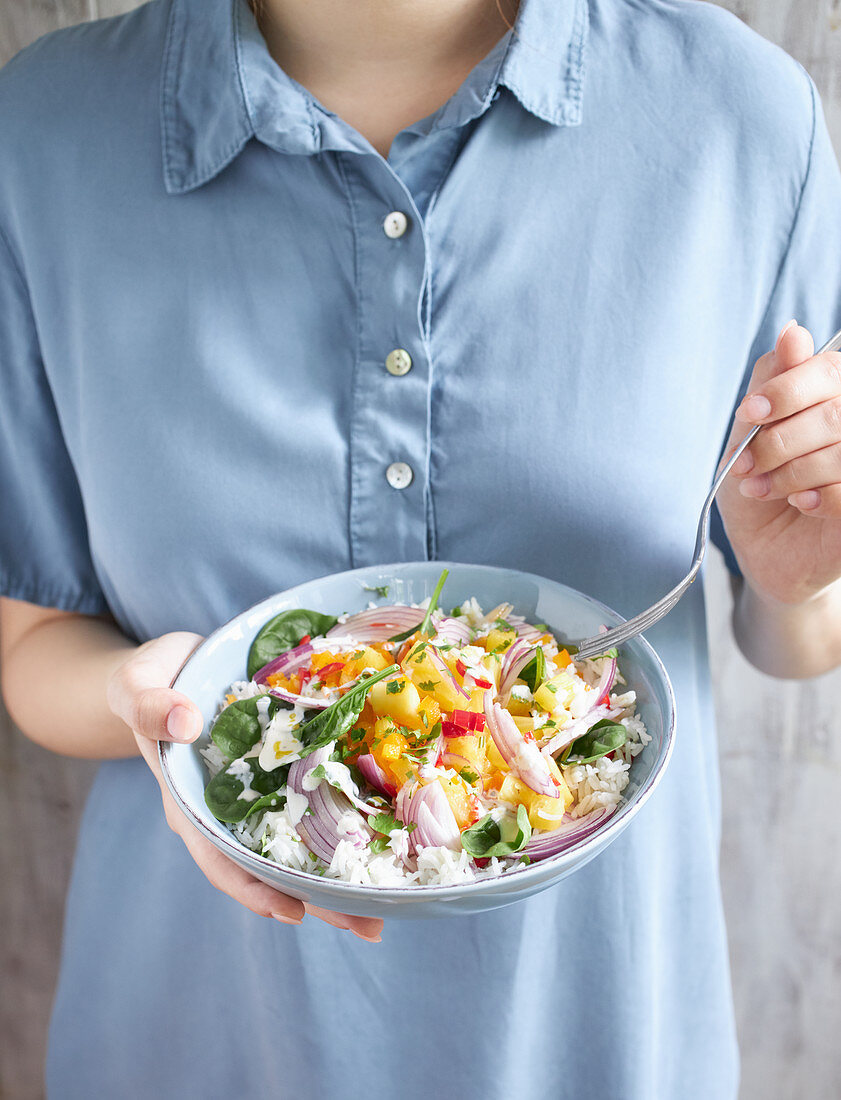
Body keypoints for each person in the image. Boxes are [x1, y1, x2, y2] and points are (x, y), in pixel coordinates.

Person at [2, 0, 841, 1095]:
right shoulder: (42, 132)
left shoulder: (741, 115)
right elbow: (30, 633)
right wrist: (137, 696)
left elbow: (793, 638)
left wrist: (799, 576)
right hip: (199, 1027)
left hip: (594, 1033)